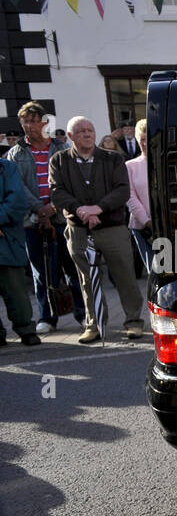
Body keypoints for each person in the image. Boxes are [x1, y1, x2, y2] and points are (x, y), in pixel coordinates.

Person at [48, 115, 145, 343]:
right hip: (79, 229)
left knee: (125, 276)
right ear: (71, 136)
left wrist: (97, 208)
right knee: (87, 279)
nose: (87, 134)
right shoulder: (59, 161)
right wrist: (80, 210)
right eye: (81, 131)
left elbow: (122, 190)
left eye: (90, 130)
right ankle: (94, 324)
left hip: (111, 227)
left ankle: (133, 322)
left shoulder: (112, 159)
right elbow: (56, 192)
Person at [6, 101, 84, 334]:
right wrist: (39, 210)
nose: (28, 126)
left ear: (44, 122)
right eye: (24, 122)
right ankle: (47, 317)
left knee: (72, 268)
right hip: (33, 222)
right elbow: (16, 186)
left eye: (32, 121)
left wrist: (53, 207)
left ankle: (81, 313)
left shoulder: (61, 148)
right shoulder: (15, 153)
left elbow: (71, 181)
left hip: (63, 218)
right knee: (42, 272)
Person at [0, 154, 40, 345]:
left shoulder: (7, 168)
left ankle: (26, 329)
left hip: (6, 239)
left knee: (15, 288)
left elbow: (17, 201)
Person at [125, 118, 153, 273]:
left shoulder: (165, 164)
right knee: (153, 270)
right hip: (142, 227)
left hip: (168, 226)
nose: (144, 143)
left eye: (148, 139)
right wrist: (147, 221)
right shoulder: (130, 166)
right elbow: (129, 196)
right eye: (141, 139)